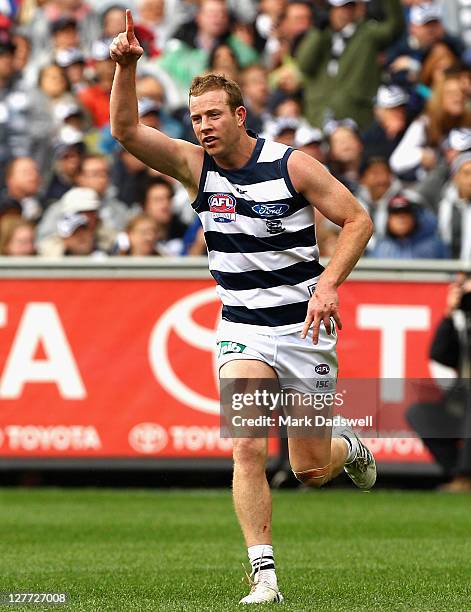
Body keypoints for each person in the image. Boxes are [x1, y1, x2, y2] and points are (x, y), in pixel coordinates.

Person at [110, 11, 376, 605]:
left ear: (239, 115)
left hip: (304, 328)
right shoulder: (192, 167)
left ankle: (348, 446)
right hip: (242, 332)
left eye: (212, 116)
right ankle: (264, 576)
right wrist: (126, 69)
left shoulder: (291, 165)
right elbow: (126, 132)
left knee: (310, 468)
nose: (202, 126)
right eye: (195, 117)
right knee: (248, 444)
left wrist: (329, 282)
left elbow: (358, 219)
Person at [407, 276, 471, 492]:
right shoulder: (461, 324)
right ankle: (460, 476)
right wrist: (450, 315)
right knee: (418, 413)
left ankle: (465, 475)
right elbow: (440, 355)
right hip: (464, 405)